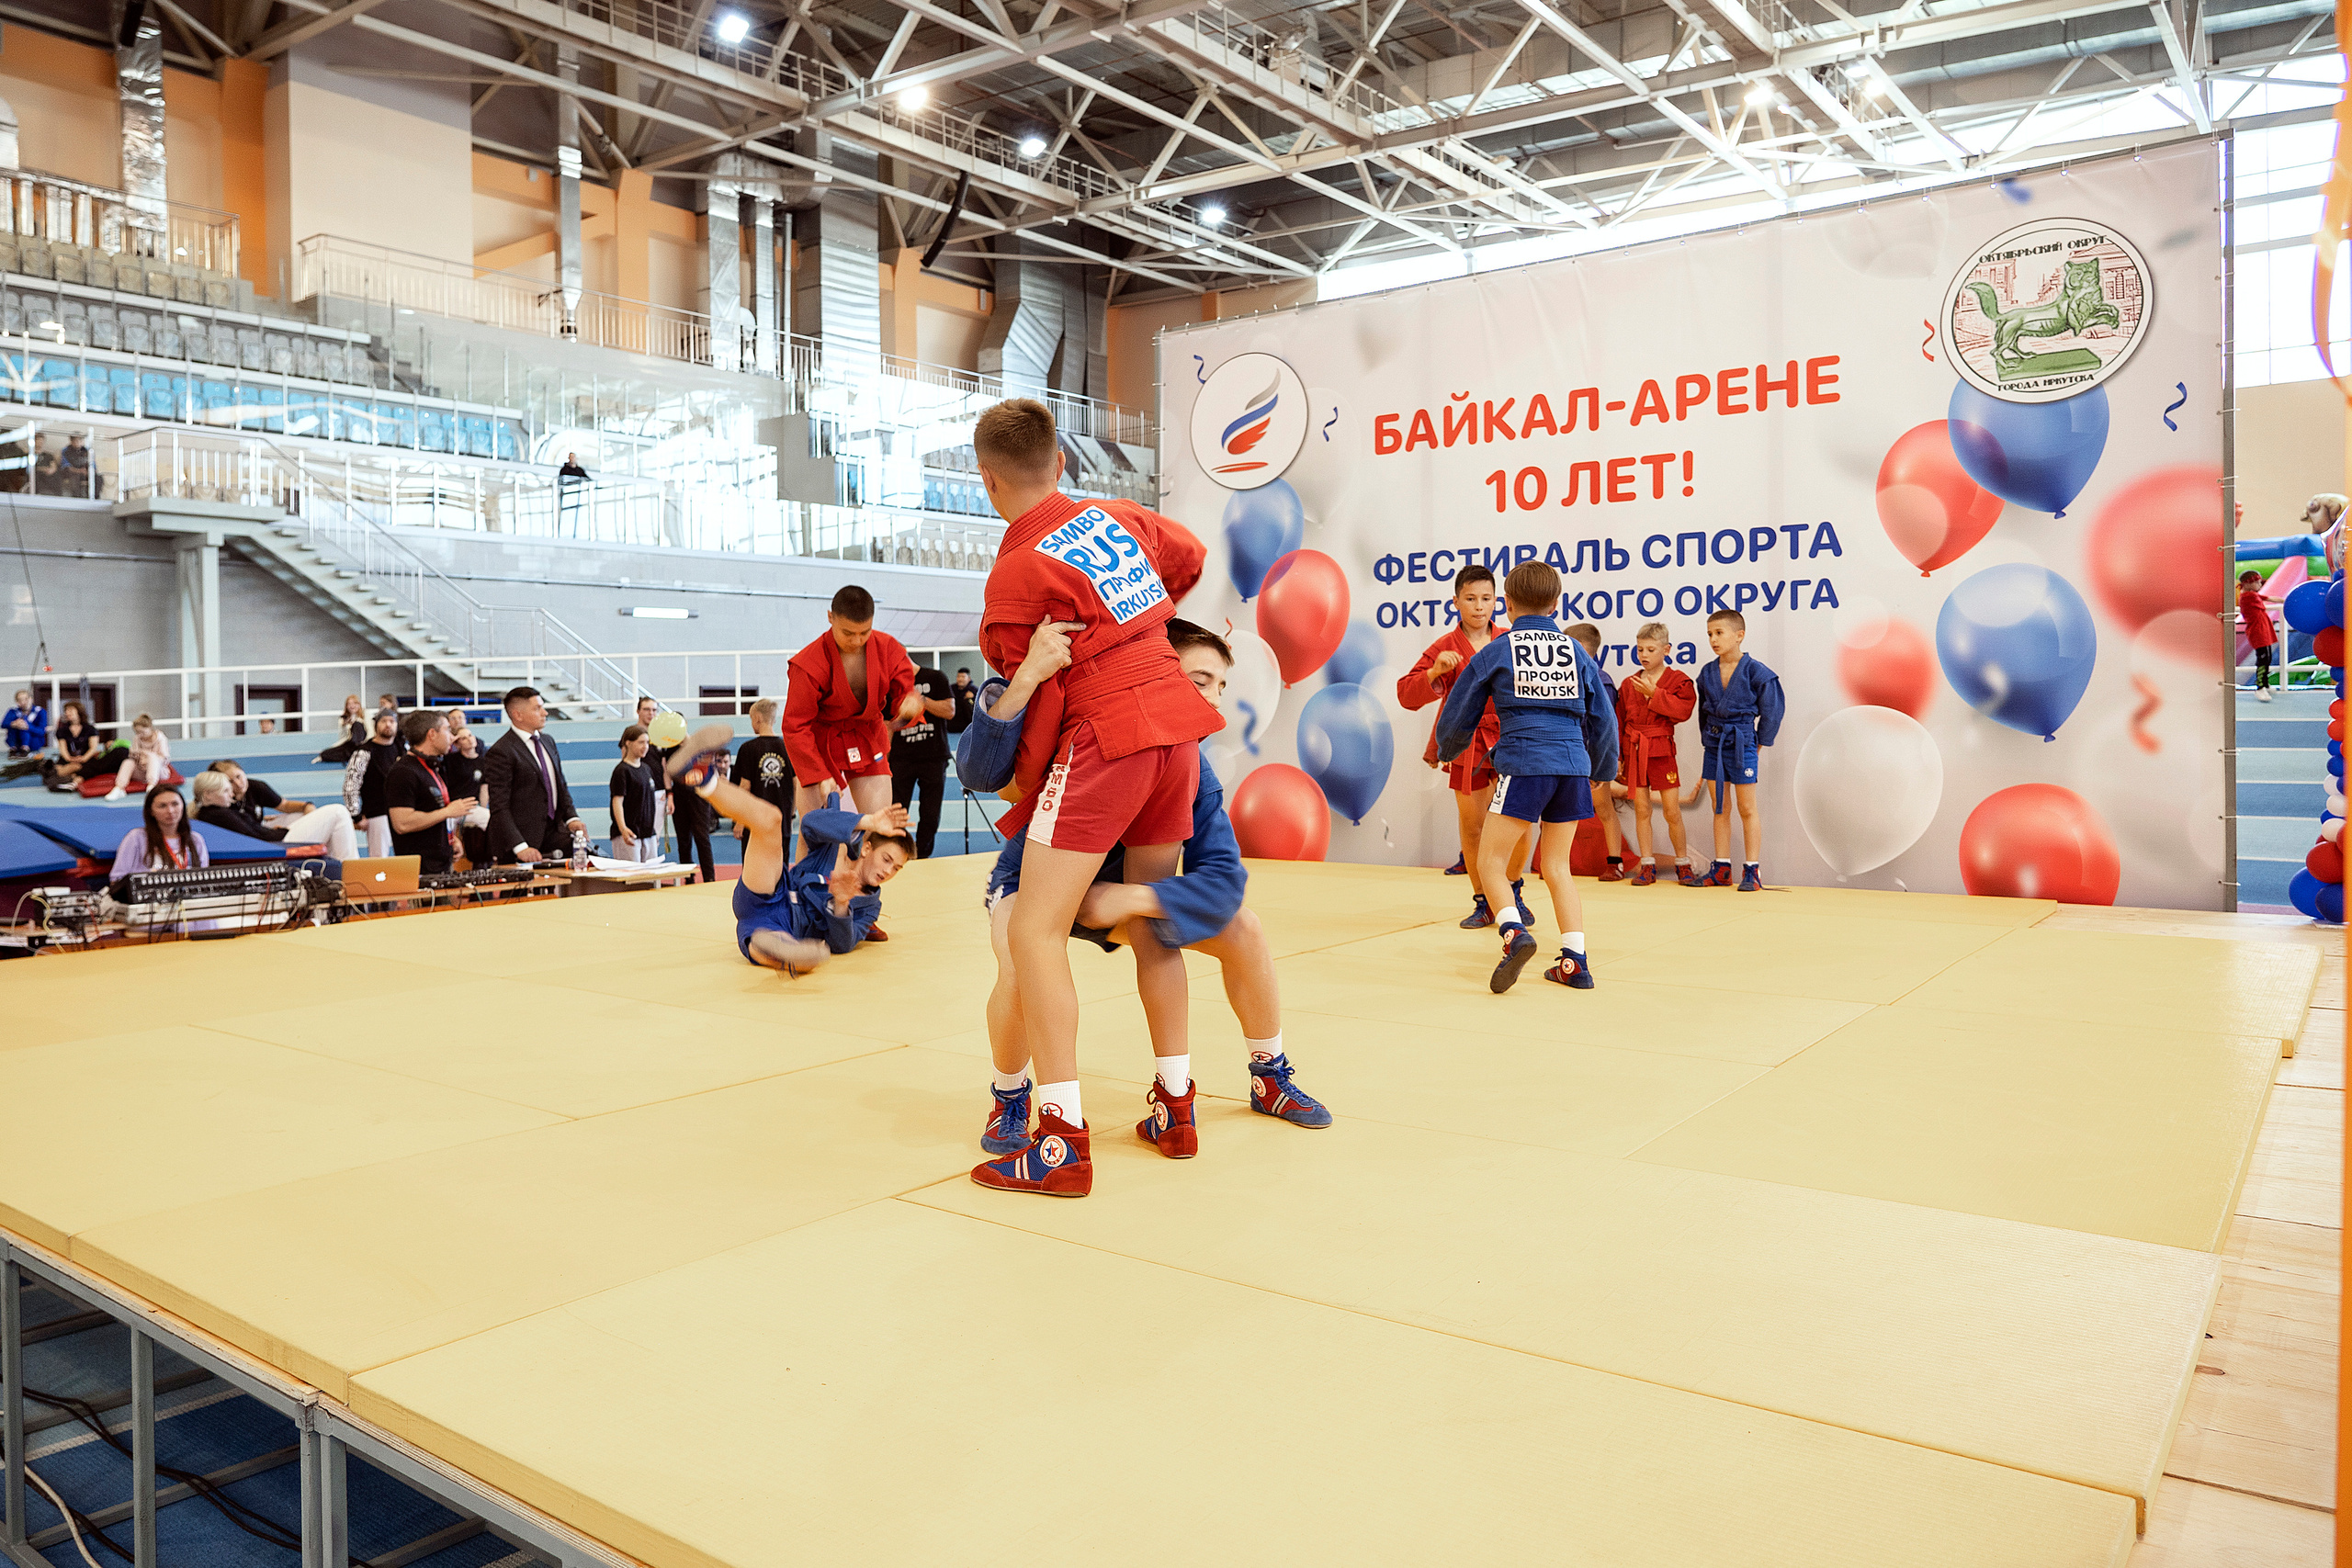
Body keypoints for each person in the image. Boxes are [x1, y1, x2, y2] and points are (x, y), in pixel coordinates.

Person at [961, 618, 1329, 1194]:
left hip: (1116, 898)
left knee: (1245, 930)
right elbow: (981, 770)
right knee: (1021, 951)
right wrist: (1030, 671)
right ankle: (1011, 1096)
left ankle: (1263, 1076)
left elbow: (1224, 883)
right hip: (1035, 883)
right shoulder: (1087, 722)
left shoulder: (1192, 769)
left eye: (1220, 689)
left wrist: (1135, 898)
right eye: (1199, 679)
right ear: (1150, 674)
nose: (1211, 702)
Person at [969, 395, 1219, 1176]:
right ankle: (1175, 1108)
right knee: (1155, 923)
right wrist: (1136, 616)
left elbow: (1019, 696)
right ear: (1063, 464)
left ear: (987, 482)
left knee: (1032, 933)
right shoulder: (1118, 514)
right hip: (1176, 728)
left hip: (1106, 736)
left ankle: (1058, 1139)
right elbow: (1189, 555)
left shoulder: (1016, 573)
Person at [1435, 560, 1618, 994]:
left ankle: (1514, 934)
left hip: (1525, 764)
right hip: (1573, 766)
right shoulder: (1576, 651)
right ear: (1557, 605)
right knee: (1557, 867)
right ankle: (1576, 962)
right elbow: (1603, 716)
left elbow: (1461, 706)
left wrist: (1448, 748)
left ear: (1508, 605)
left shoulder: (1498, 650)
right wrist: (1603, 768)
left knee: (1490, 862)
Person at [665, 724, 912, 974]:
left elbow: (843, 944)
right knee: (771, 819)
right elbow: (811, 823)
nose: (889, 871)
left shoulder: (870, 906)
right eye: (887, 859)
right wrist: (867, 821)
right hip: (774, 887)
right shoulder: (835, 846)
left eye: (897, 868)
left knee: (802, 951)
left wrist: (841, 903)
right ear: (867, 848)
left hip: (787, 925)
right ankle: (701, 775)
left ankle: (772, 947)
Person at [1397, 564, 1530, 930]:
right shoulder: (1444, 647)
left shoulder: (1512, 639)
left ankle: (1513, 891)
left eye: (1486, 598)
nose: (1479, 606)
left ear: (1498, 602)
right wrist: (1434, 673)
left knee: (1520, 819)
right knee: (1473, 827)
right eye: (1470, 599)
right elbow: (1406, 694)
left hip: (1510, 739)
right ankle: (1484, 900)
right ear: (1455, 602)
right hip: (1467, 742)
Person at [785, 585, 925, 832]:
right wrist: (819, 775)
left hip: (867, 735)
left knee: (879, 827)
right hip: (820, 743)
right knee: (815, 833)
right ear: (831, 617)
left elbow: (902, 698)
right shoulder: (808, 663)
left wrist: (907, 706)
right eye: (848, 633)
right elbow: (795, 726)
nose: (857, 640)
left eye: (865, 632)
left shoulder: (889, 648)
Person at [1694, 608, 1785, 891]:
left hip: (1743, 740)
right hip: (1715, 743)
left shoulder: (1758, 672)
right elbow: (1703, 714)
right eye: (1710, 634)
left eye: (1719, 633)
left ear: (1739, 635)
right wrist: (1707, 740)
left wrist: (1759, 742)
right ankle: (1721, 867)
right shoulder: (1707, 672)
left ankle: (1752, 870)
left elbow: (1773, 710)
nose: (1713, 639)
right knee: (1719, 806)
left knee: (1747, 807)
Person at [1616, 622, 1700, 886]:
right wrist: (1619, 756)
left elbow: (1683, 711)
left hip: (1661, 750)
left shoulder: (1678, 681)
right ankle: (1647, 865)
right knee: (1642, 809)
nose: (1644, 654)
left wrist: (1655, 694)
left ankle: (1683, 863)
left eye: (1650, 649)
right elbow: (1619, 721)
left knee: (1672, 811)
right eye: (1640, 649)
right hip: (1634, 748)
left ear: (1666, 649)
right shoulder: (1628, 684)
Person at [483, 685, 584, 864]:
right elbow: (499, 806)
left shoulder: (548, 741)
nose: (545, 713)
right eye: (537, 708)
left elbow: (560, 785)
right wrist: (520, 846)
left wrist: (572, 818)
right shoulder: (502, 751)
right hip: (519, 840)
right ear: (518, 715)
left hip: (552, 833)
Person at [1563, 623, 1627, 881]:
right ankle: (1559, 862)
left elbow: (1607, 725)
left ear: (1576, 648)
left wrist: (1605, 761)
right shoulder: (1563, 677)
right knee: (1563, 809)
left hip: (1591, 753)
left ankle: (1616, 863)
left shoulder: (1602, 681)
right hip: (1566, 751)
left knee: (1604, 809)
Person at [204, 760, 360, 860]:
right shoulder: (221, 808)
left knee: (299, 815)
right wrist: (278, 830)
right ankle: (349, 870)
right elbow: (251, 833)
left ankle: (332, 863)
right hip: (269, 842)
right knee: (338, 813)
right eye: (230, 782)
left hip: (264, 833)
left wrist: (306, 806)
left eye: (239, 776)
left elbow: (283, 805)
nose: (238, 784)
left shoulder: (255, 787)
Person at [383, 710, 476, 874]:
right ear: (432, 734)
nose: (453, 738)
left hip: (440, 864)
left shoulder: (433, 767)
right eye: (447, 730)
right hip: (420, 871)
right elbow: (402, 823)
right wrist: (448, 812)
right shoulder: (404, 771)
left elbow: (430, 809)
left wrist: (450, 839)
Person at [888, 662, 958, 857]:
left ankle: (922, 855)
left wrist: (921, 700)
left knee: (930, 814)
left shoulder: (936, 677)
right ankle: (896, 852)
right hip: (901, 758)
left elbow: (949, 711)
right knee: (897, 811)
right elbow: (887, 724)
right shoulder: (890, 685)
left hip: (933, 757)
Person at [729, 697, 796, 854]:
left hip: (755, 822)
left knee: (753, 873)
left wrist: (740, 821)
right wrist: (790, 815)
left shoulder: (748, 749)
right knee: (780, 869)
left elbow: (745, 786)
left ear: (757, 718)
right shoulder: (788, 747)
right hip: (781, 821)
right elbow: (796, 784)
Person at [108, 783, 207, 878]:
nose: (170, 811)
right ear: (151, 811)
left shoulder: (196, 839)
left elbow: (205, 879)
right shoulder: (136, 837)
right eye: (162, 806)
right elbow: (117, 878)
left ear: (183, 806)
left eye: (175, 804)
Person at [346, 707, 405, 856]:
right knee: (379, 860)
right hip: (377, 814)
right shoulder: (364, 752)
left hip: (403, 811)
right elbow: (351, 784)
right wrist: (356, 815)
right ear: (376, 725)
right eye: (384, 721)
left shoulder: (402, 750)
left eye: (392, 721)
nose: (388, 725)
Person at [437, 715, 492, 866]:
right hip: (452, 806)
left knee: (491, 819)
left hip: (471, 807)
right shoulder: (450, 760)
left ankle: (489, 860)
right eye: (463, 738)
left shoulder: (483, 762)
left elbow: (484, 789)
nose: (469, 739)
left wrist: (482, 807)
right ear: (457, 743)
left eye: (470, 735)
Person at [608, 724, 663, 862]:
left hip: (648, 834)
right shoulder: (622, 771)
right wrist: (623, 829)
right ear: (628, 743)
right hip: (629, 834)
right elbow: (617, 802)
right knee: (632, 879)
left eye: (647, 742)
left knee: (650, 879)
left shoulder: (646, 769)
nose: (645, 746)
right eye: (641, 742)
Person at [105, 714, 172, 800]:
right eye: (137, 732)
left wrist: (147, 756)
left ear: (150, 728)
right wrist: (137, 756)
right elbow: (133, 755)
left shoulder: (160, 738)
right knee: (128, 762)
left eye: (142, 732)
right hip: (141, 770)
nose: (140, 735)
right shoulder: (137, 738)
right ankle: (119, 788)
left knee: (152, 757)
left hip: (158, 771)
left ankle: (151, 786)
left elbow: (165, 759)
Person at [40, 700, 103, 791]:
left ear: (79, 712)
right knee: (59, 769)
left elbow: (93, 748)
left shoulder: (90, 729)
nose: (67, 713)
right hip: (68, 758)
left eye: (70, 710)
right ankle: (69, 776)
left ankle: (71, 782)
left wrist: (83, 758)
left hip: (86, 758)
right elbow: (62, 748)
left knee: (84, 770)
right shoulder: (62, 730)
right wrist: (69, 759)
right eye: (66, 711)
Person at [2240, 569, 2278, 702]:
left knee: (2267, 658)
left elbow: (2270, 598)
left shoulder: (2252, 595)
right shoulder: (2249, 596)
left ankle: (2265, 683)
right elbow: (2267, 598)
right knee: (2263, 659)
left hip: (2262, 629)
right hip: (2258, 631)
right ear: (2248, 584)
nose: (2260, 585)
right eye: (2257, 582)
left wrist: (2286, 600)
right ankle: (2260, 687)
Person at [316, 694, 368, 763]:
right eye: (349, 704)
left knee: (357, 724)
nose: (352, 706)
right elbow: (343, 737)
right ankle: (352, 755)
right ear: (346, 706)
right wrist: (335, 747)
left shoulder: (365, 715)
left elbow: (370, 732)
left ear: (359, 705)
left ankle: (358, 753)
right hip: (349, 745)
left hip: (362, 744)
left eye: (354, 703)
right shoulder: (343, 719)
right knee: (324, 754)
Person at [4, 689, 46, 759]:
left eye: (26, 699)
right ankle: (13, 749)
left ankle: (25, 748)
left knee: (24, 726)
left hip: (34, 743)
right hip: (16, 744)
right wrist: (14, 724)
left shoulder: (40, 711)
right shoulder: (13, 711)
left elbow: (41, 731)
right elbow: (3, 724)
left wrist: (27, 727)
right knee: (15, 726)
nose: (23, 702)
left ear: (31, 699)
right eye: (20, 700)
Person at [949, 668, 977, 734]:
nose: (960, 679)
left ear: (969, 678)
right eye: (958, 676)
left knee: (968, 701)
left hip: (967, 723)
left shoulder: (974, 690)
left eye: (963, 677)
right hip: (953, 723)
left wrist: (971, 699)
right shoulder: (951, 689)